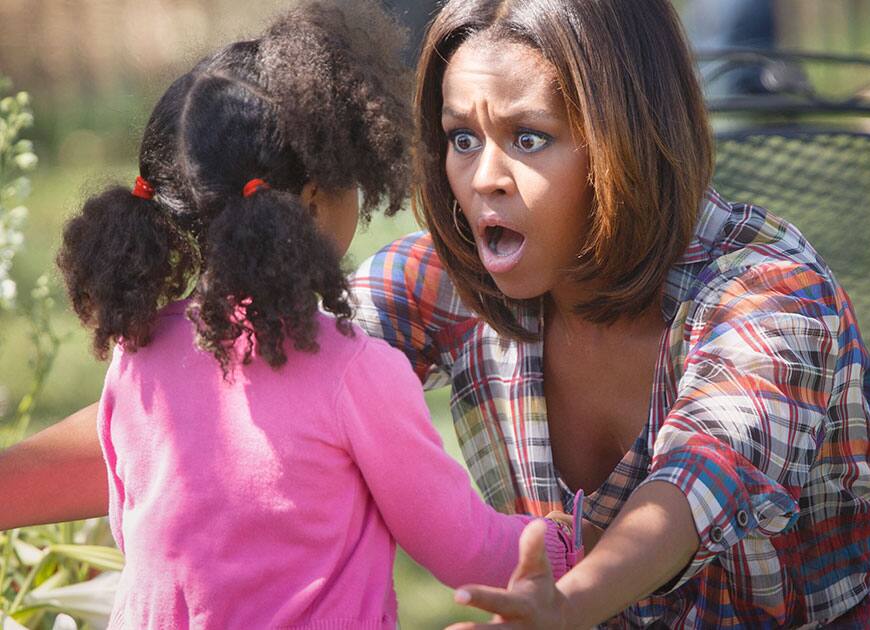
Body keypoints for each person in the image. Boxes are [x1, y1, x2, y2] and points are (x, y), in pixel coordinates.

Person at [0, 0, 870, 628]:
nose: (483, 179)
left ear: (624, 139)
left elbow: (693, 486)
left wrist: (566, 602)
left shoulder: (766, 291)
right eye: (458, 137)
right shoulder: (450, 274)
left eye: (528, 136)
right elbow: (234, 398)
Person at [36, 2, 583, 628]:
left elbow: (138, 533)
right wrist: (569, 544)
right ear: (318, 199)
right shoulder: (357, 373)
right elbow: (466, 549)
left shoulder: (138, 357)